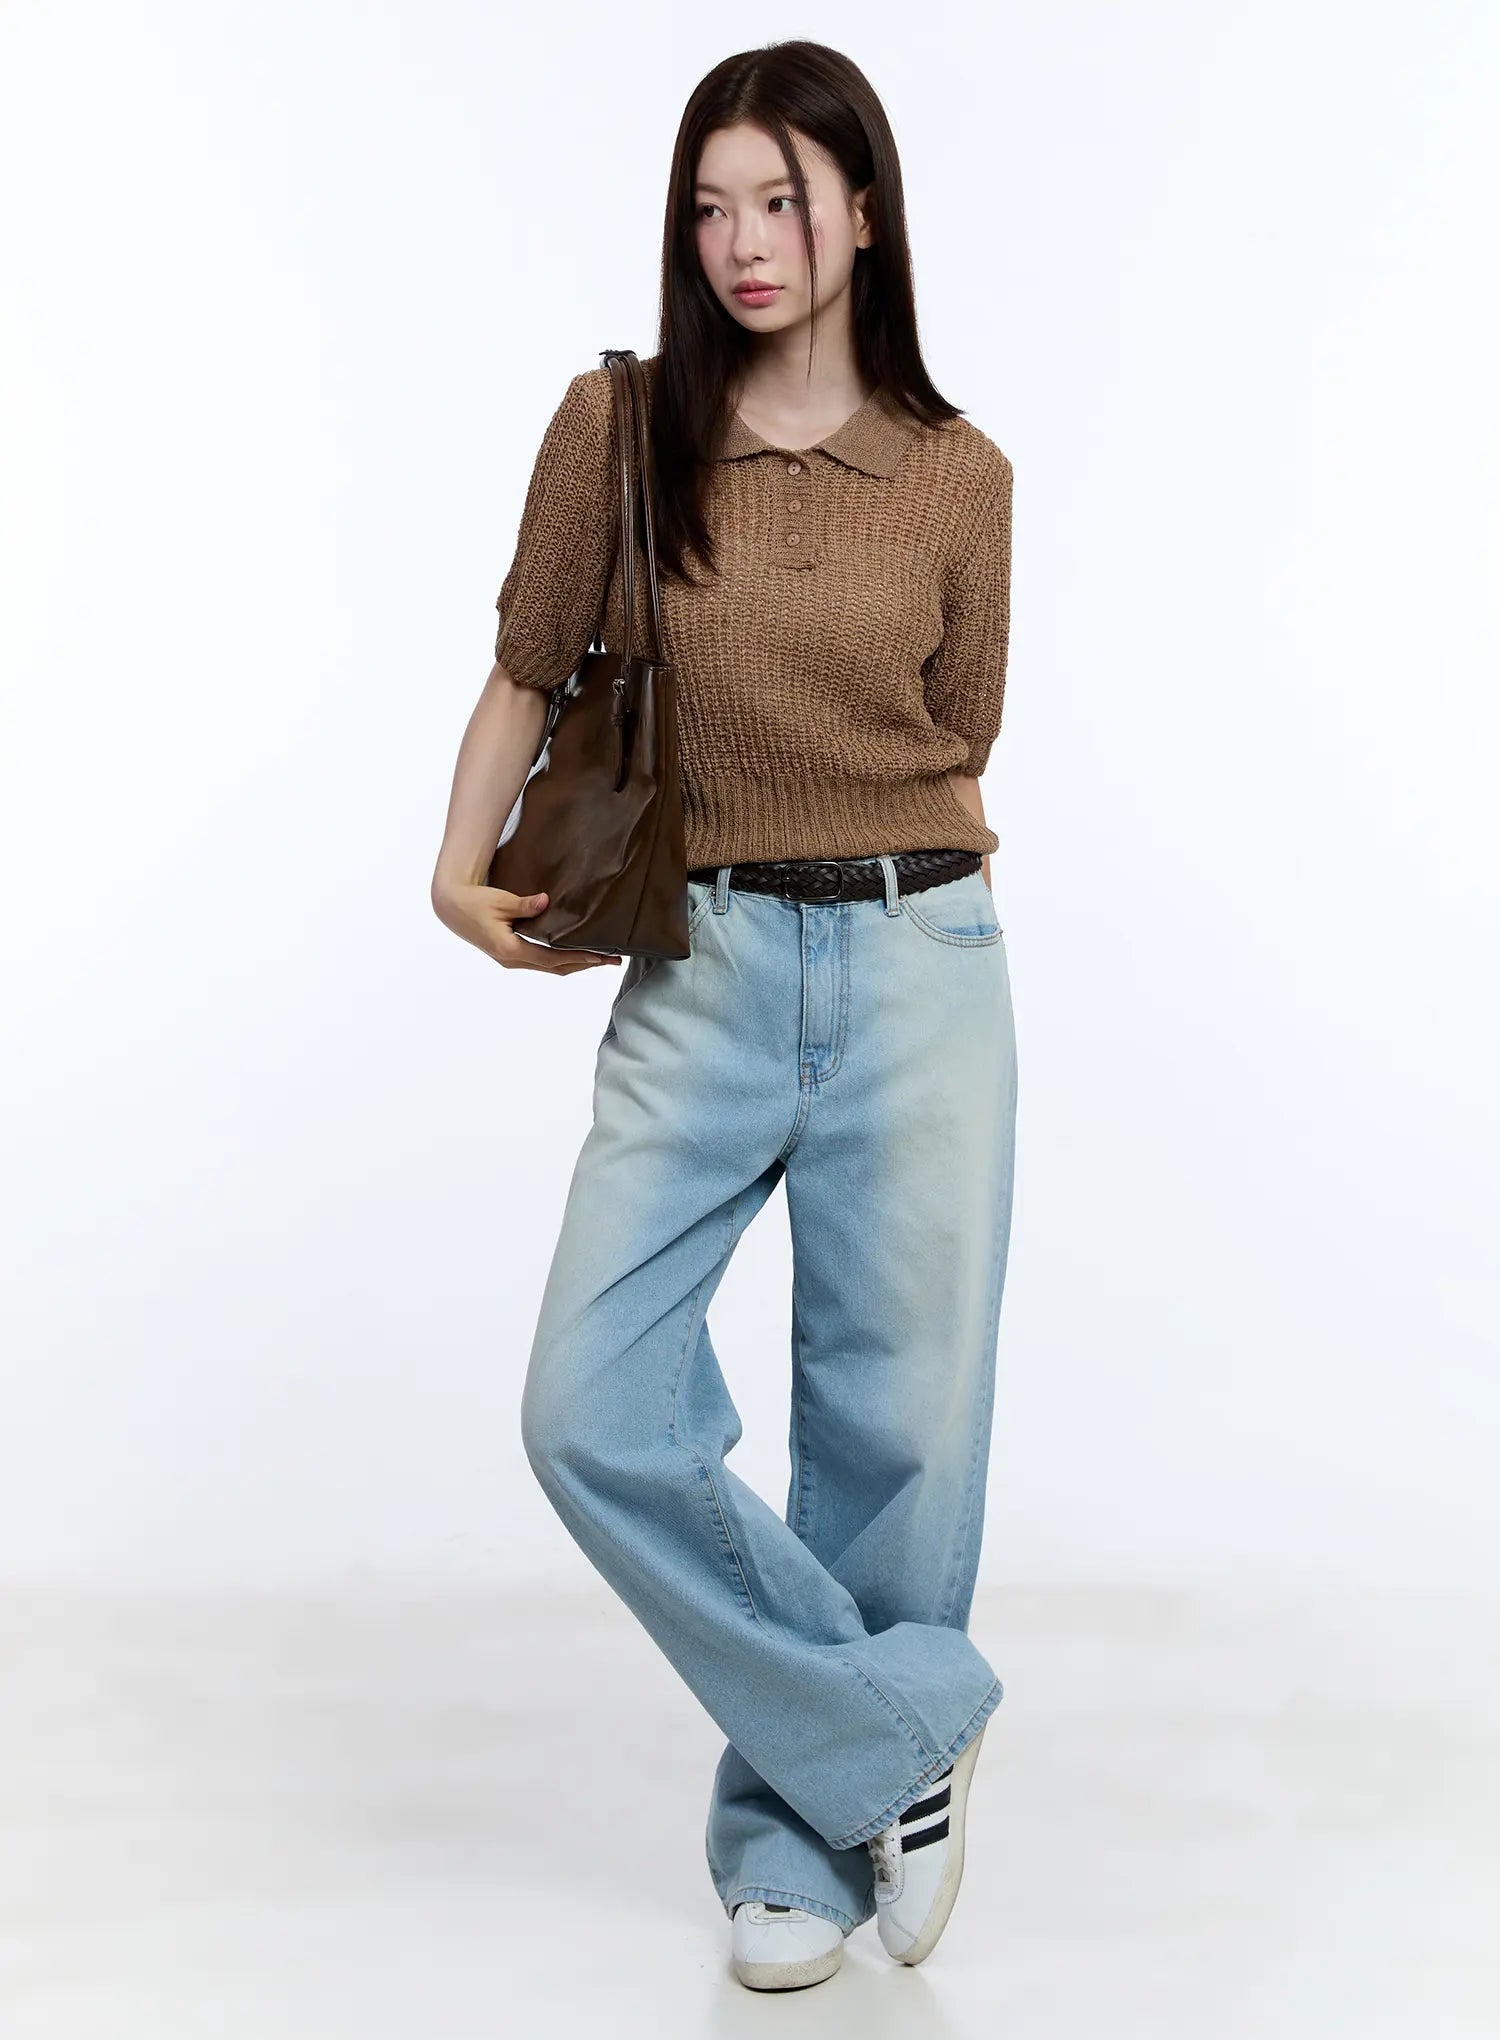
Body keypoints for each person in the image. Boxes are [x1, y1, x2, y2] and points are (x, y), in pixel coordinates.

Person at [431, 39, 1018, 1995]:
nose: (744, 242)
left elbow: (958, 730)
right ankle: (897, 1746)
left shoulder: (962, 477)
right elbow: (530, 664)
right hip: (699, 965)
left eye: (781, 199)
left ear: (865, 213)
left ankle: (794, 1846)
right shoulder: (619, 427)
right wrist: (451, 861)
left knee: (897, 1431)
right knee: (590, 1408)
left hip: (923, 959)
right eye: (711, 206)